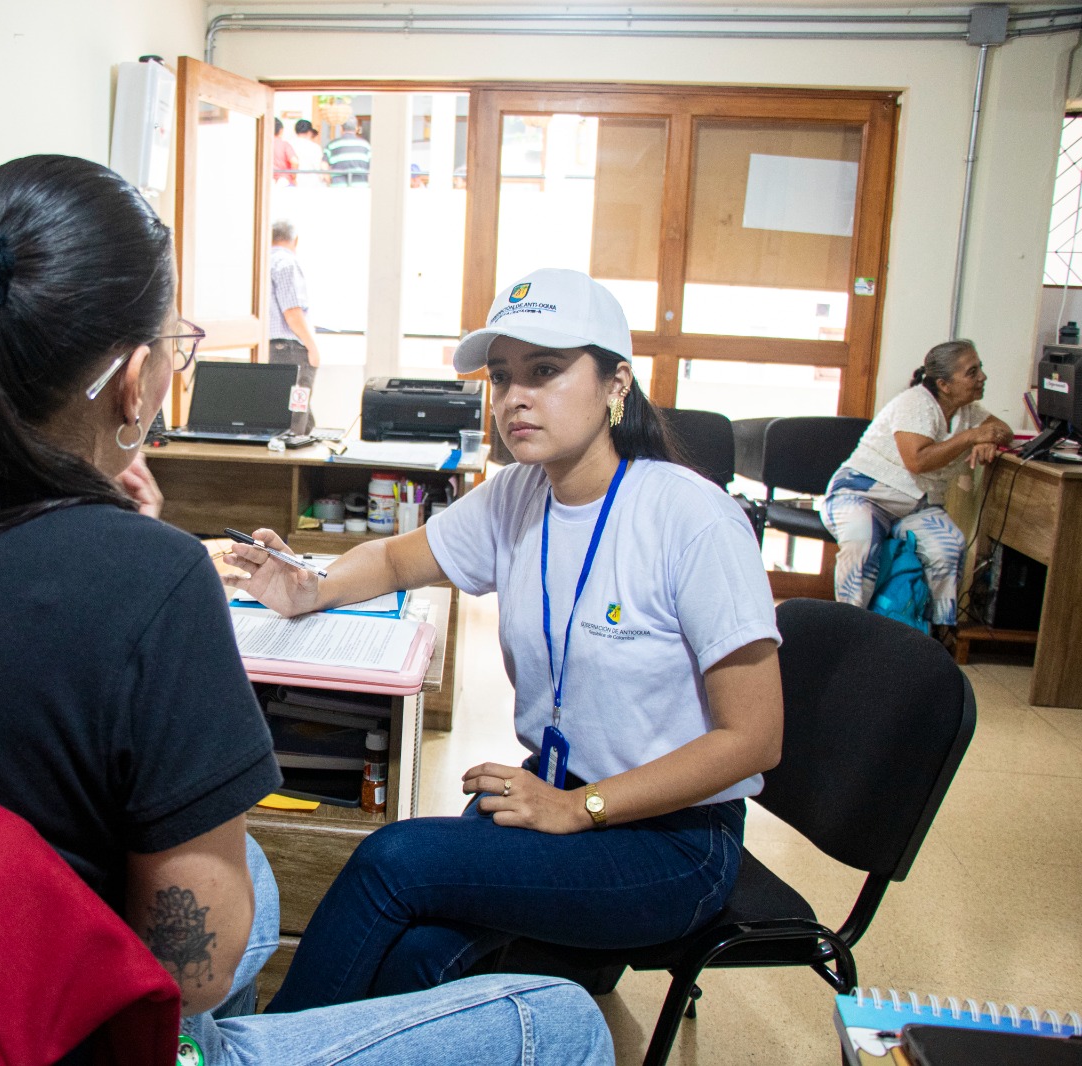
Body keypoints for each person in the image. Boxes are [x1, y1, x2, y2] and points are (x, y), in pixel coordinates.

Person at [0, 156, 613, 1066]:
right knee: (559, 1017)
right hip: (43, 1034)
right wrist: (134, 556)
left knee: (262, 883)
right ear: (133, 380)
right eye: (175, 344)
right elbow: (185, 963)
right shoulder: (153, 579)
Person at [229, 267, 785, 1013]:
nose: (514, 398)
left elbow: (755, 740)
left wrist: (580, 807)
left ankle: (266, 1054)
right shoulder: (520, 495)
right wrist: (312, 586)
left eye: (546, 372)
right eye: (501, 377)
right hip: (551, 798)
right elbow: (398, 557)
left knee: (394, 861)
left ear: (617, 383)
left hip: (670, 843)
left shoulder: (693, 521)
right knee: (416, 956)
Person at [820, 339, 1012, 628]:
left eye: (980, 369)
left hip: (916, 505)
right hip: (863, 492)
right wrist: (972, 437)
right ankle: (850, 628)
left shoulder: (968, 412)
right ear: (944, 384)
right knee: (861, 540)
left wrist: (989, 439)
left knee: (949, 546)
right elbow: (918, 461)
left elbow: (1004, 430)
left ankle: (933, 635)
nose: (982, 377)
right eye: (972, 372)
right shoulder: (915, 403)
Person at [269, 219, 322, 435]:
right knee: (296, 413)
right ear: (295, 240)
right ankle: (295, 456)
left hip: (269, 349)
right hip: (290, 350)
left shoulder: (261, 262)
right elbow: (292, 312)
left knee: (282, 410)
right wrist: (313, 348)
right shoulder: (286, 263)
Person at [325, 117, 371, 186]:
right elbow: (372, 167)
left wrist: (328, 181)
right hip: (360, 187)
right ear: (356, 128)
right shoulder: (365, 145)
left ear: (341, 128)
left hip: (338, 187)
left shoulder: (332, 145)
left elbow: (323, 164)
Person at [292, 118, 327, 186]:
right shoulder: (315, 147)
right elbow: (319, 168)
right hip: (311, 183)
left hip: (293, 183)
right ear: (310, 132)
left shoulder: (289, 144)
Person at [271, 117, 298, 186]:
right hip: (283, 180)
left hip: (267, 179)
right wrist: (294, 177)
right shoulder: (284, 144)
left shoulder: (262, 143)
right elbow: (294, 161)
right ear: (281, 130)